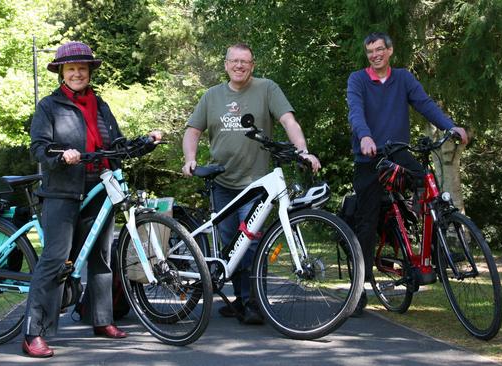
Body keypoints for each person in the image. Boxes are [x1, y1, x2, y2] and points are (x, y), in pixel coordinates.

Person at [25, 41, 161, 357]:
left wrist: (146, 142)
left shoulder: (100, 105)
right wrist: (63, 156)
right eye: (71, 68)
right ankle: (33, 333)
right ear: (61, 72)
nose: (77, 73)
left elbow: (116, 143)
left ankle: (101, 320)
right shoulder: (49, 106)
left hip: (101, 187)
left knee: (101, 257)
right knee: (56, 260)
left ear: (89, 72)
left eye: (82, 68)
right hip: (62, 190)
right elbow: (38, 149)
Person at [181, 43, 321, 325]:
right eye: (234, 61)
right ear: (225, 64)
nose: (239, 66)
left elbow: (287, 120)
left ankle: (253, 302)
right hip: (221, 182)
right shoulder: (212, 96)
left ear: (252, 65)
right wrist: (190, 158)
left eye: (245, 61)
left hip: (255, 185)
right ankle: (241, 299)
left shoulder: (267, 88)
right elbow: (192, 130)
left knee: (251, 245)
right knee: (229, 246)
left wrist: (303, 150)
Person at [346, 32, 468, 316]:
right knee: (366, 221)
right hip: (368, 156)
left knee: (428, 184)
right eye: (370, 51)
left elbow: (424, 104)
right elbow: (355, 112)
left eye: (379, 50)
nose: (375, 55)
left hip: (396, 150)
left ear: (390, 51)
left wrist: (450, 127)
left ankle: (435, 251)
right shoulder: (358, 80)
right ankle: (359, 289)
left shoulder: (403, 78)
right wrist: (364, 137)